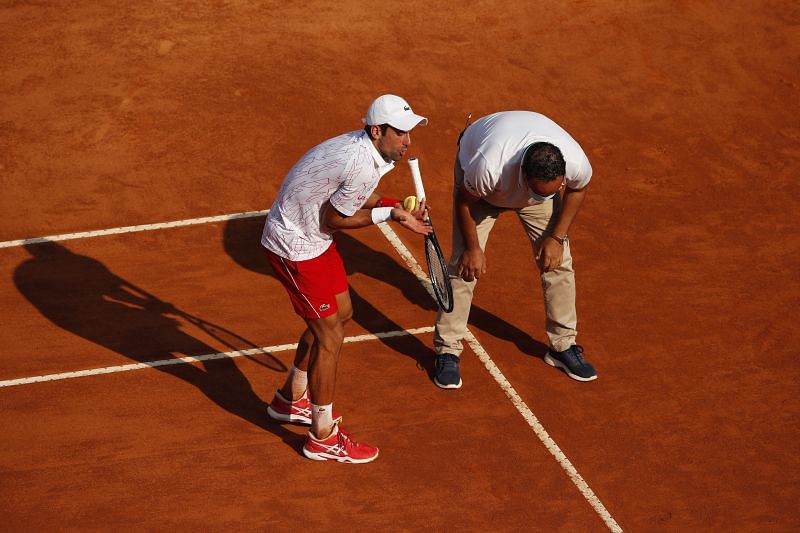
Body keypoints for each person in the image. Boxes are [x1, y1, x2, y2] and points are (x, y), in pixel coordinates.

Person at [261, 94, 432, 463]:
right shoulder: (360, 161)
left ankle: (291, 398)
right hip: (295, 245)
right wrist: (391, 217)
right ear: (377, 130)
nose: (407, 141)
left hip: (314, 240)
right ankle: (322, 436)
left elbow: (350, 194)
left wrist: (391, 204)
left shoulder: (364, 150)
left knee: (342, 313)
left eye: (409, 132)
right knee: (330, 335)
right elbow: (335, 220)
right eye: (401, 133)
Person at [432, 110, 597, 389]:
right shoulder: (487, 167)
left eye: (550, 193)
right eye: (535, 192)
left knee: (558, 263)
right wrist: (473, 248)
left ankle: (562, 345)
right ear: (522, 173)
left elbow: (578, 191)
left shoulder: (574, 162)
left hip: (517, 181)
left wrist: (556, 237)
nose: (538, 199)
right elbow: (464, 203)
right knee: (464, 267)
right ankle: (447, 350)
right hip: (481, 197)